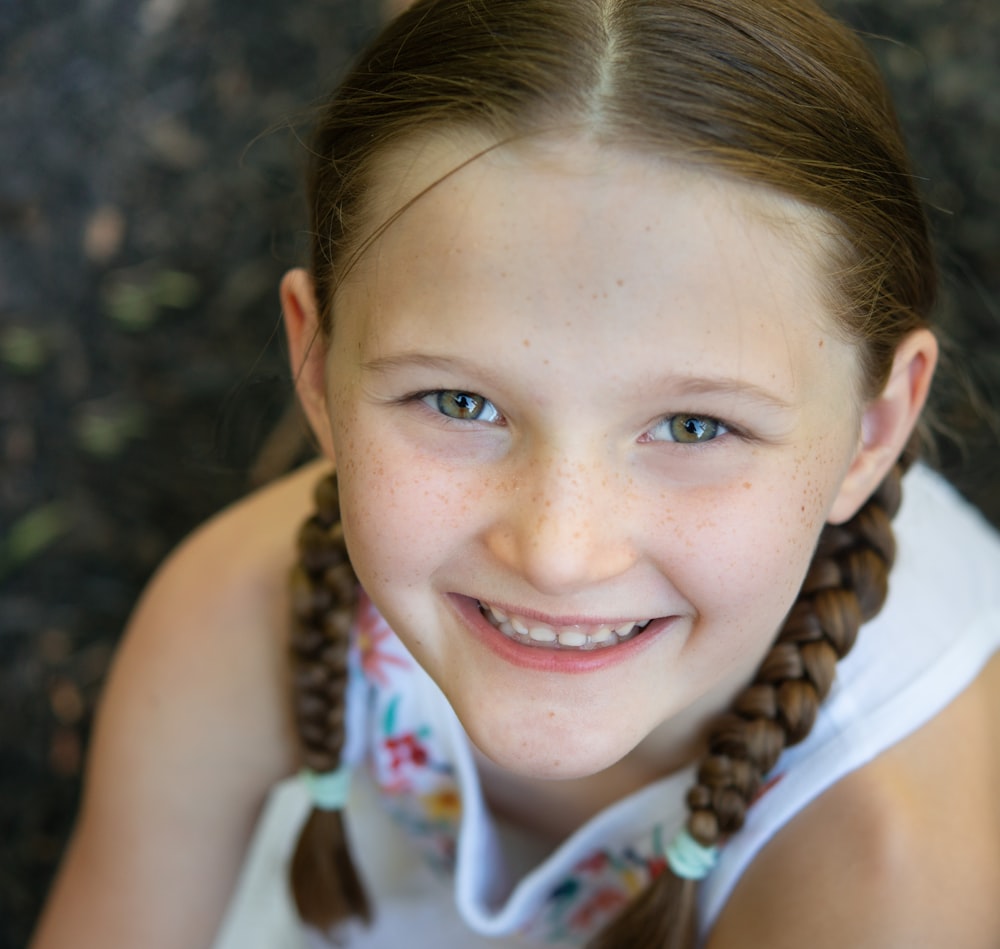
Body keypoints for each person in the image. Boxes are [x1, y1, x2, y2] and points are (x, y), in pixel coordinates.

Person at [30, 1, 1000, 947]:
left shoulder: (891, 866)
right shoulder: (240, 614)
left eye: (694, 424)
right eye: (461, 403)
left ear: (871, 432)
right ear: (317, 368)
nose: (558, 554)